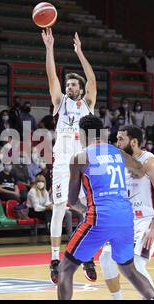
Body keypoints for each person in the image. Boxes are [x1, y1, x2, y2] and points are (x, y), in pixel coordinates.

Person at [59, 116, 154, 300]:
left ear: (83, 134)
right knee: (129, 269)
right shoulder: (117, 152)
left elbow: (72, 201)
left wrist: (86, 209)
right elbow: (139, 169)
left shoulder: (80, 157)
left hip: (99, 217)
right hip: (125, 218)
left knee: (65, 269)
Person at [42, 28, 98, 284]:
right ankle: (55, 261)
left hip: (85, 160)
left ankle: (85, 255)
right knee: (60, 209)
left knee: (88, 211)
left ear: (81, 88)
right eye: (67, 84)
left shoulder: (88, 102)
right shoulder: (59, 102)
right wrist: (50, 47)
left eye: (73, 84)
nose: (68, 86)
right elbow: (51, 75)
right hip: (64, 162)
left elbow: (92, 78)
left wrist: (80, 52)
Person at [98, 125, 154, 300]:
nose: (117, 143)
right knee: (106, 259)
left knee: (135, 264)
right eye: (117, 139)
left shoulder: (149, 161)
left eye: (121, 139)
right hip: (124, 221)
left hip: (148, 220)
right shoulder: (117, 162)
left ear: (135, 142)